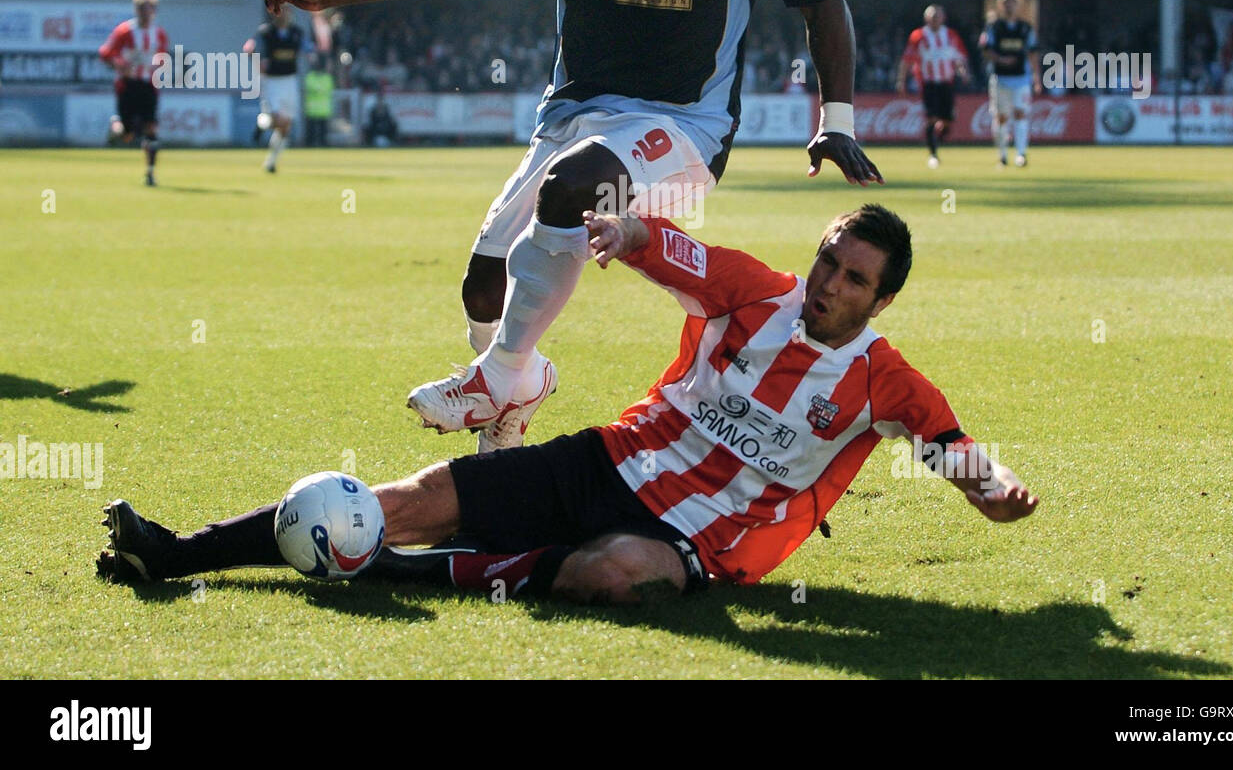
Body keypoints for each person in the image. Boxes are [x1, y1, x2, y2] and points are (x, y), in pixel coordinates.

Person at [262, 0, 883, 455]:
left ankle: (495, 375)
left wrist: (837, 121)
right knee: (482, 289)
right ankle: (509, 421)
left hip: (685, 130)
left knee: (575, 183)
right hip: (573, 118)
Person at [95, 204, 1038, 604]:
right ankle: (176, 553)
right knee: (411, 500)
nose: (827, 281)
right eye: (828, 259)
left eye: (851, 277)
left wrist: (992, 486)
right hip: (608, 458)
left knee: (609, 576)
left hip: (697, 544)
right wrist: (628, 230)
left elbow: (948, 445)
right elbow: (681, 253)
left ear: (881, 299)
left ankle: (381, 573)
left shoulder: (885, 380)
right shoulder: (761, 292)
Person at [98, 0, 167, 186]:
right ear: (136, 11)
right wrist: (119, 64)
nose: (146, 14)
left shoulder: (159, 33)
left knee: (151, 128)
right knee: (127, 135)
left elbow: (162, 57)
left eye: (150, 10)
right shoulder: (124, 31)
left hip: (149, 85)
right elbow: (105, 53)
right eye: (142, 10)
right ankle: (116, 126)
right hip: (127, 85)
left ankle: (150, 173)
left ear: (154, 11)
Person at [896, 5, 969, 168]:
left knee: (948, 119)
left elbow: (959, 57)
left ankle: (937, 138)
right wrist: (901, 80)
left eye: (938, 16)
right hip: (928, 82)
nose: (935, 19)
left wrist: (963, 72)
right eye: (932, 16)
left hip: (946, 82)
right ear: (926, 18)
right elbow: (906, 59)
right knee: (931, 117)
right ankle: (933, 153)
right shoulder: (918, 36)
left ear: (943, 18)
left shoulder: (950, 35)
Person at [982, 0, 1041, 167]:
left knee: (1020, 114)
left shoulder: (1026, 28)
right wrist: (1000, 59)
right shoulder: (993, 27)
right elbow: (986, 50)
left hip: (1021, 78)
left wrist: (1037, 77)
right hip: (1000, 77)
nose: (1010, 6)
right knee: (1001, 117)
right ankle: (1003, 154)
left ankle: (1021, 154)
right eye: (1006, 2)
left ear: (1019, 5)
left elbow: (1032, 53)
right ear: (1000, 5)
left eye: (1013, 2)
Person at [250, 6, 306, 173]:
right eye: (283, 11)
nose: (286, 15)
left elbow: (306, 49)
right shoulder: (266, 33)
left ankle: (271, 161)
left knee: (285, 126)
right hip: (272, 81)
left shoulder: (297, 32)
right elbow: (252, 50)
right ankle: (262, 123)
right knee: (277, 120)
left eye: (288, 11)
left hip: (289, 80)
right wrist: (257, 63)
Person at [302, 53, 334, 147]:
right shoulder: (310, 76)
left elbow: (324, 88)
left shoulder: (327, 78)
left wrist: (317, 89)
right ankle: (308, 146)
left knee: (323, 133)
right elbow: (310, 88)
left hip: (323, 110)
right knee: (310, 133)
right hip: (312, 110)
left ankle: (323, 146)